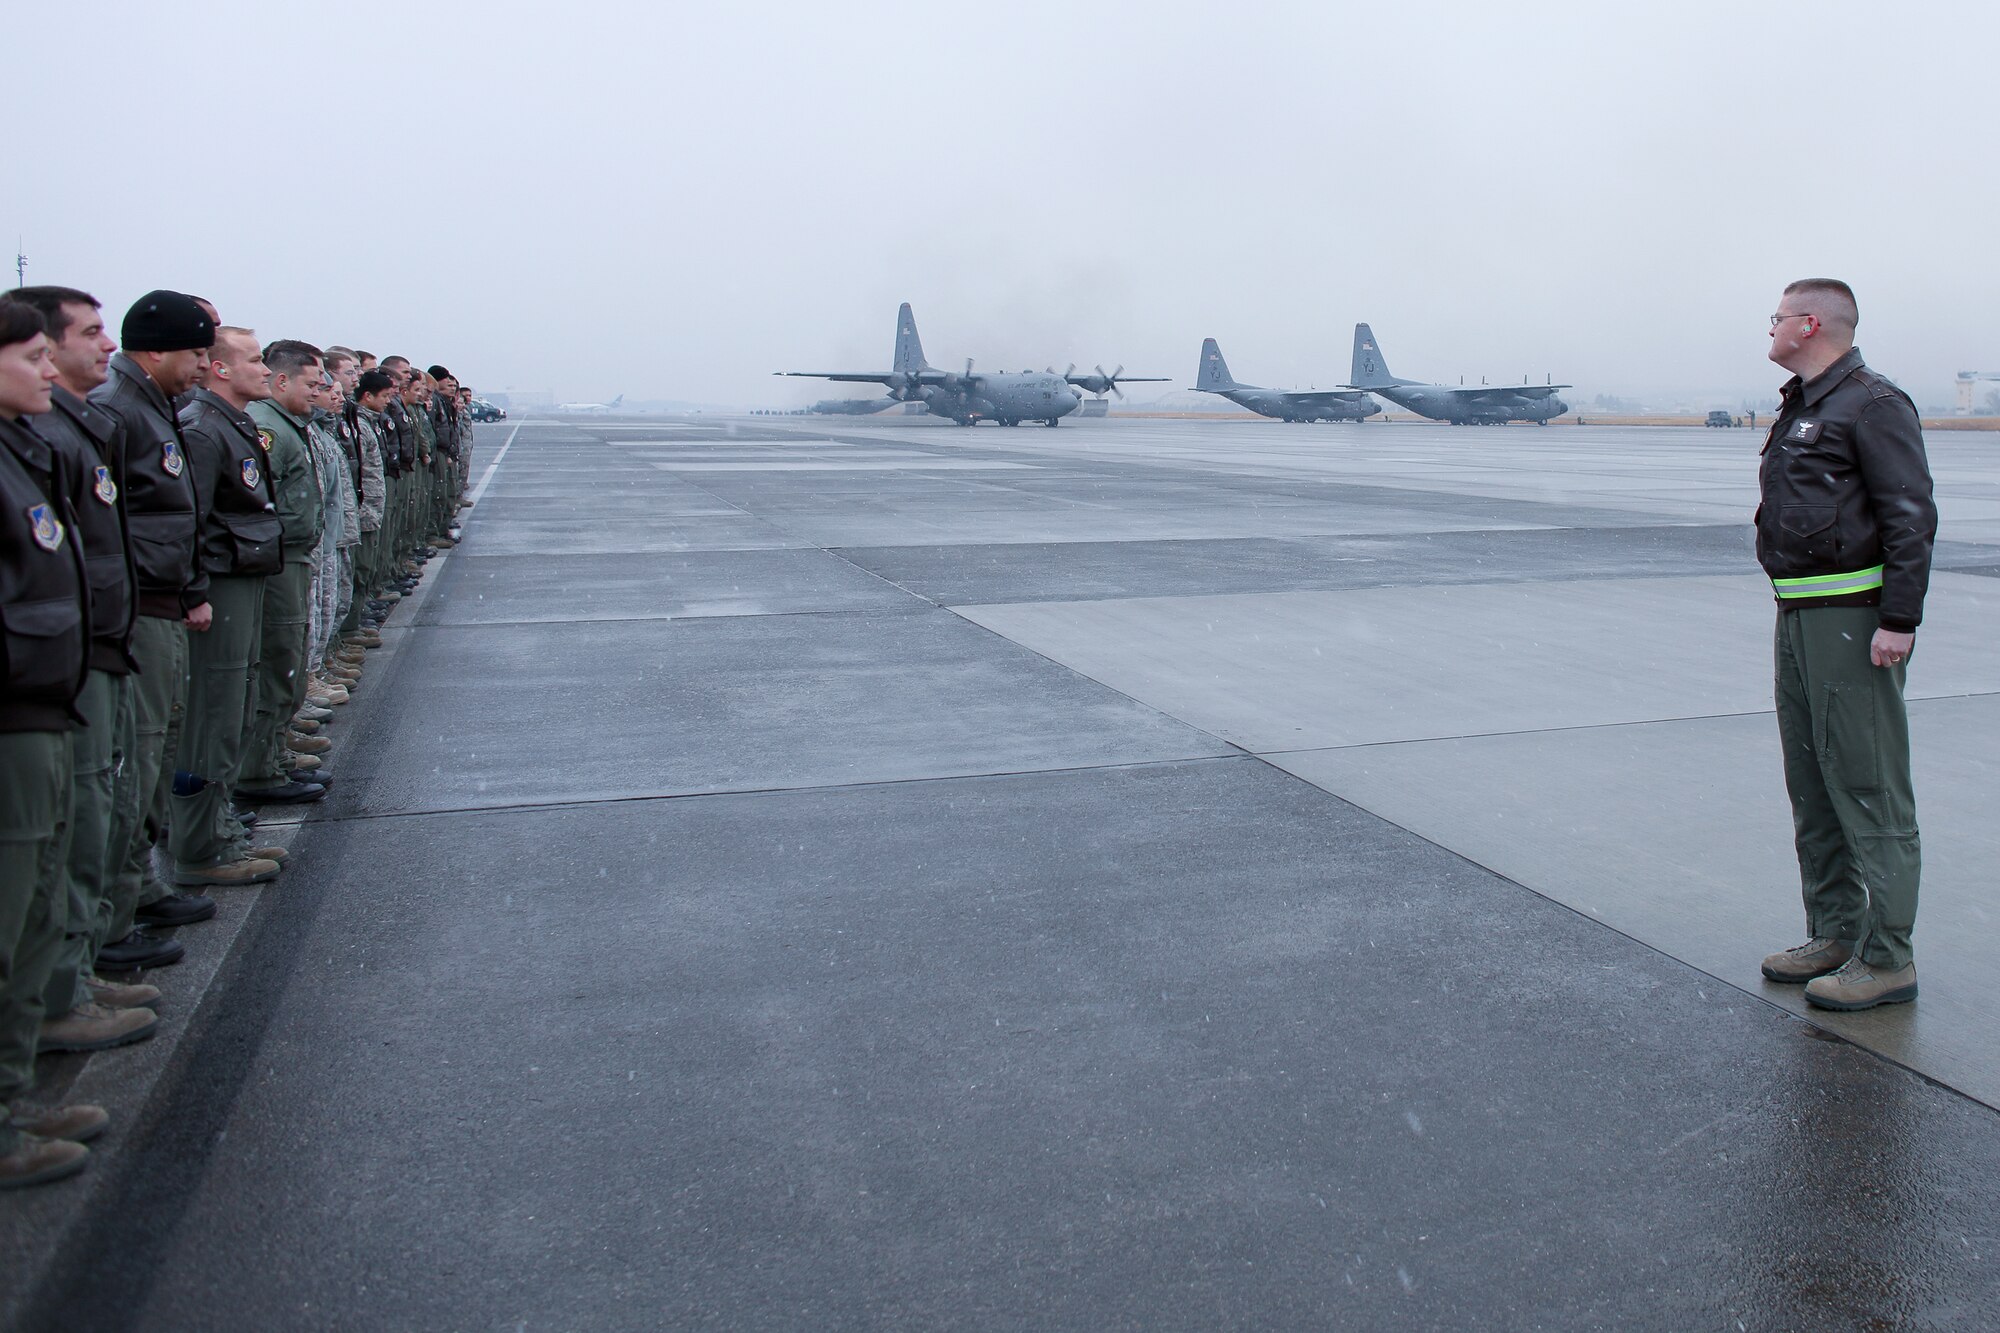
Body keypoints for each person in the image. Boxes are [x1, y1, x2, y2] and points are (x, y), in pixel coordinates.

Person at [1756, 279, 1937, 1011]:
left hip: (1853, 620)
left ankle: (1888, 956)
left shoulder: (1873, 404)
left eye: (1775, 317)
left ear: (1808, 323)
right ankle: (1834, 932)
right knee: (1814, 785)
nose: (1767, 329)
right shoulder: (1805, 403)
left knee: (1868, 785)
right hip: (1797, 618)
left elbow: (1909, 514)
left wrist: (1899, 618)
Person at [8, 287, 167, 1047]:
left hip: (77, 658)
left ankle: (68, 978)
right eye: (36, 354)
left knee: (82, 817)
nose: (103, 349)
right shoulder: (50, 440)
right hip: (36, 685)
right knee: (49, 846)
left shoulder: (47, 438)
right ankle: (55, 1003)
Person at [0, 297, 112, 1189]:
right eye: (35, 354)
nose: (50, 370)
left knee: (31, 897)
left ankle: (15, 1094)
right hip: (17, 709)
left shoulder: (23, 450)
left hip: (44, 699)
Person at [89, 291, 217, 973]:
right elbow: (105, 528)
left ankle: (137, 885)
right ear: (158, 348)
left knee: (154, 752)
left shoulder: (152, 409)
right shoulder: (118, 414)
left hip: (163, 604)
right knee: (130, 763)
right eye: (198, 352)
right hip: (137, 611)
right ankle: (112, 921)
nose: (206, 364)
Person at [240, 341, 327, 800]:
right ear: (282, 381)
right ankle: (260, 770)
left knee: (287, 656)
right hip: (275, 559)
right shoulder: (267, 429)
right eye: (311, 384)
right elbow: (251, 503)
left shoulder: (287, 425)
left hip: (288, 554)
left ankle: (273, 756)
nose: (318, 392)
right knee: (278, 659)